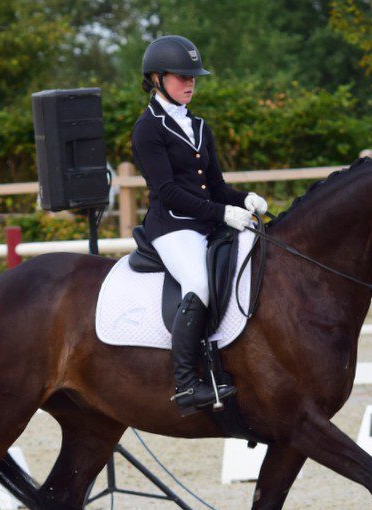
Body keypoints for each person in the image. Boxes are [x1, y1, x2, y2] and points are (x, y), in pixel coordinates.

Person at [131, 35, 268, 415]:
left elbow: (217, 186)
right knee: (199, 284)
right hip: (173, 226)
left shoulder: (199, 125)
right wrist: (223, 214)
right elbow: (169, 191)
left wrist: (245, 200)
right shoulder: (148, 129)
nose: (190, 83)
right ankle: (187, 384)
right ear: (157, 79)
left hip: (205, 221)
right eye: (180, 77)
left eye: (193, 77)